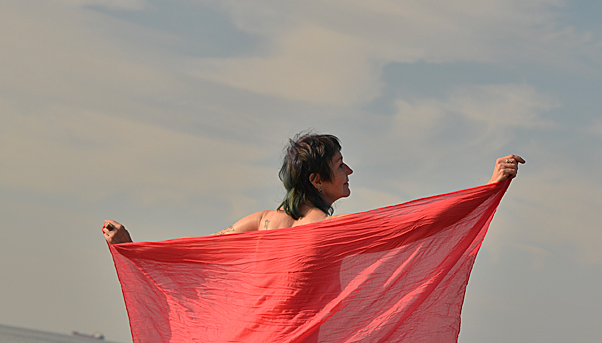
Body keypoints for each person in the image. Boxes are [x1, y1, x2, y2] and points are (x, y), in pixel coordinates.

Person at [103, 132, 524, 244]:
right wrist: (487, 190)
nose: (350, 171)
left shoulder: (260, 222)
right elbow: (414, 226)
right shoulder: (327, 230)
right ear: (317, 180)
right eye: (340, 166)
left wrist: (130, 247)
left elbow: (198, 252)